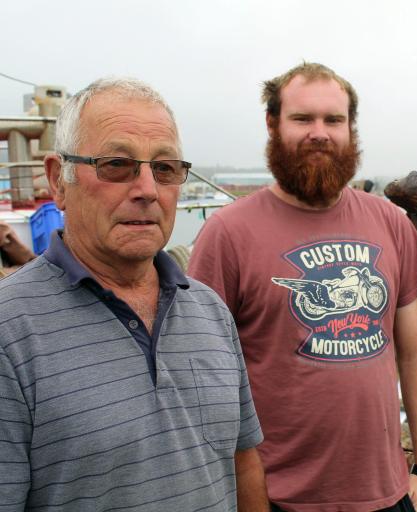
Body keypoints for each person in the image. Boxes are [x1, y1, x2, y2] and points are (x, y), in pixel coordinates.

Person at [0, 77, 268, 511]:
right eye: (116, 164)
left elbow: (242, 463)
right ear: (59, 181)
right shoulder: (9, 331)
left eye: (164, 168)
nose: (147, 189)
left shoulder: (210, 310)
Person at [188, 62, 417, 512]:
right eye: (303, 119)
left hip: (390, 495)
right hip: (278, 499)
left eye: (334, 120)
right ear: (273, 124)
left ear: (351, 129)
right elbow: (200, 380)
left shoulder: (390, 222)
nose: (319, 133)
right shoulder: (227, 233)